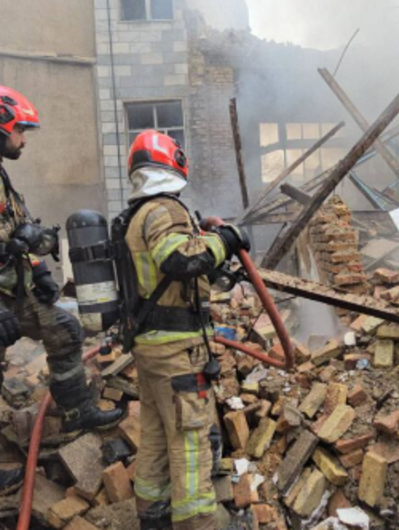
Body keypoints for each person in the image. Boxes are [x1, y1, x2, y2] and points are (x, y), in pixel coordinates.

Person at [0, 85, 124, 500]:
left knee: (64, 329)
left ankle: (76, 411)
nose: (24, 139)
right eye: (20, 130)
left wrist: (39, 271)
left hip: (10, 292)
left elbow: (11, 237)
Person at [124, 130, 248, 529]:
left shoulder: (140, 212)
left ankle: (153, 516)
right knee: (191, 442)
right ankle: (199, 523)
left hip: (152, 346)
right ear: (174, 163)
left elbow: (175, 274)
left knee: (157, 436)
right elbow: (178, 259)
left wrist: (205, 239)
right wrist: (225, 240)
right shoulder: (164, 208)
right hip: (177, 350)